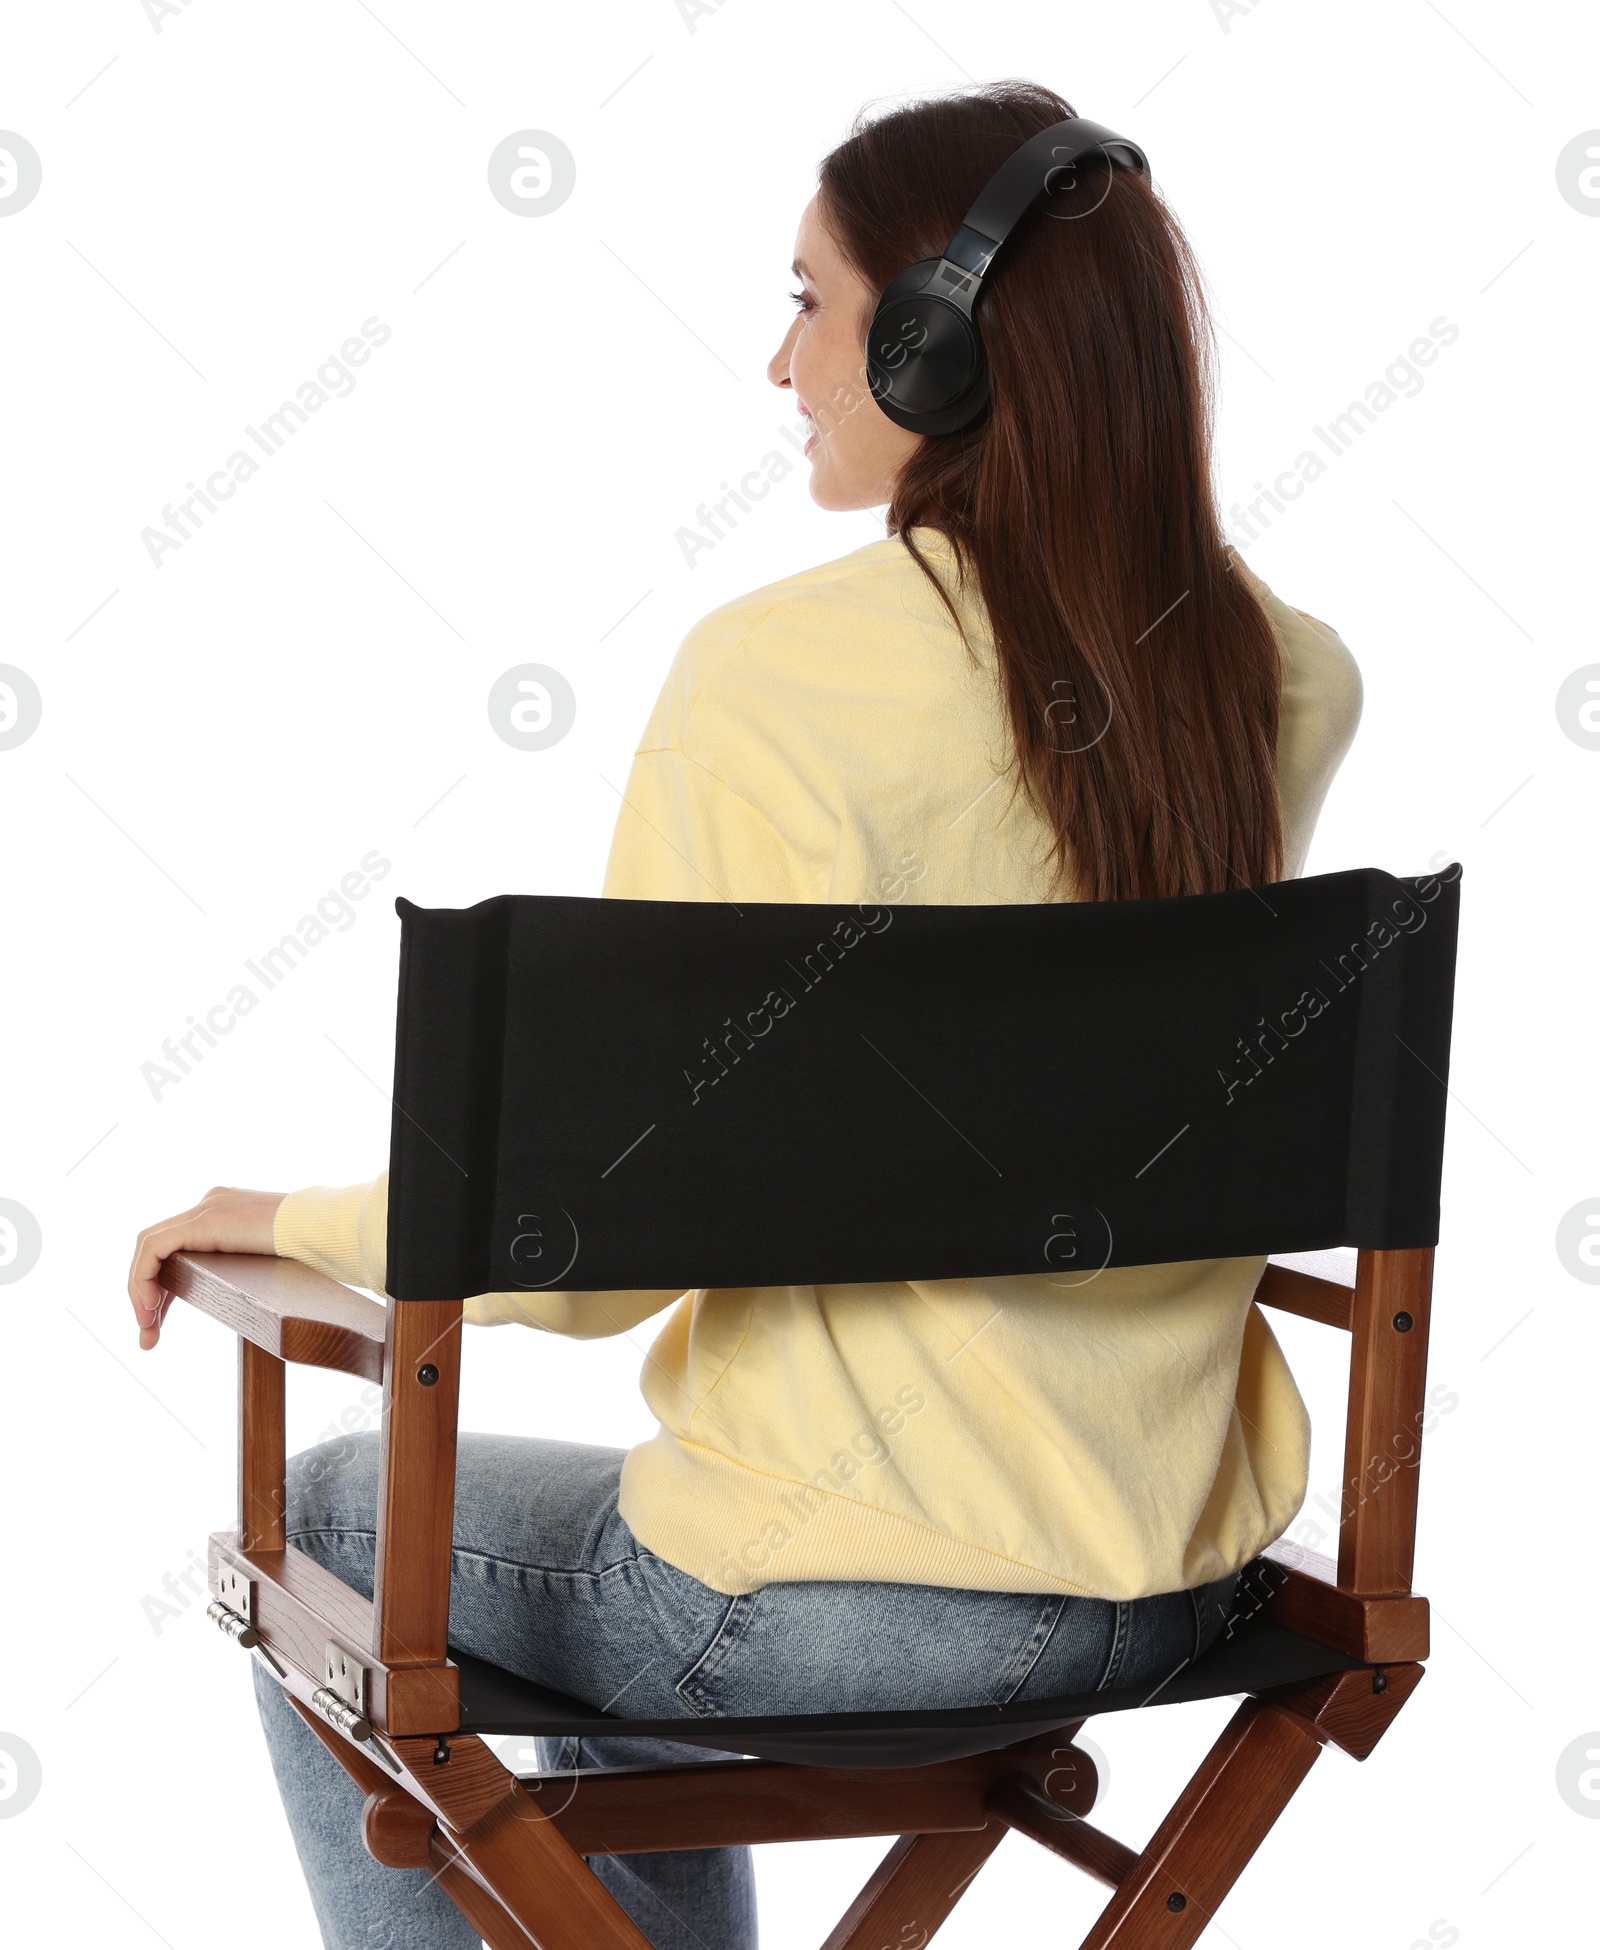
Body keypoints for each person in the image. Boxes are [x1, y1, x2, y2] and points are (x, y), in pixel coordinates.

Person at [127, 82, 1361, 1950]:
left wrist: (282, 1222)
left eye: (810, 301)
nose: (781, 361)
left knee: (338, 1515)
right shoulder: (1282, 679)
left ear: (938, 347)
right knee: (640, 1533)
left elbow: (593, 1240)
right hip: (1179, 1581)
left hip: (837, 1599)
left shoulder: (777, 683)